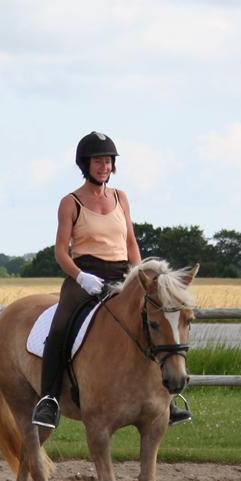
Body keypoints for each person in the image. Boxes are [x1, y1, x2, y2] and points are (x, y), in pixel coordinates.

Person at [31, 131, 192, 429]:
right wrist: (81, 277)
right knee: (61, 328)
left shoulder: (121, 198)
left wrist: (141, 276)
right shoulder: (71, 202)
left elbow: (131, 242)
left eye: (108, 161)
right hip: (85, 276)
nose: (104, 166)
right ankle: (50, 400)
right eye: (97, 161)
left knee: (154, 324)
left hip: (123, 275)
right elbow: (60, 251)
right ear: (85, 164)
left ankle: (165, 401)